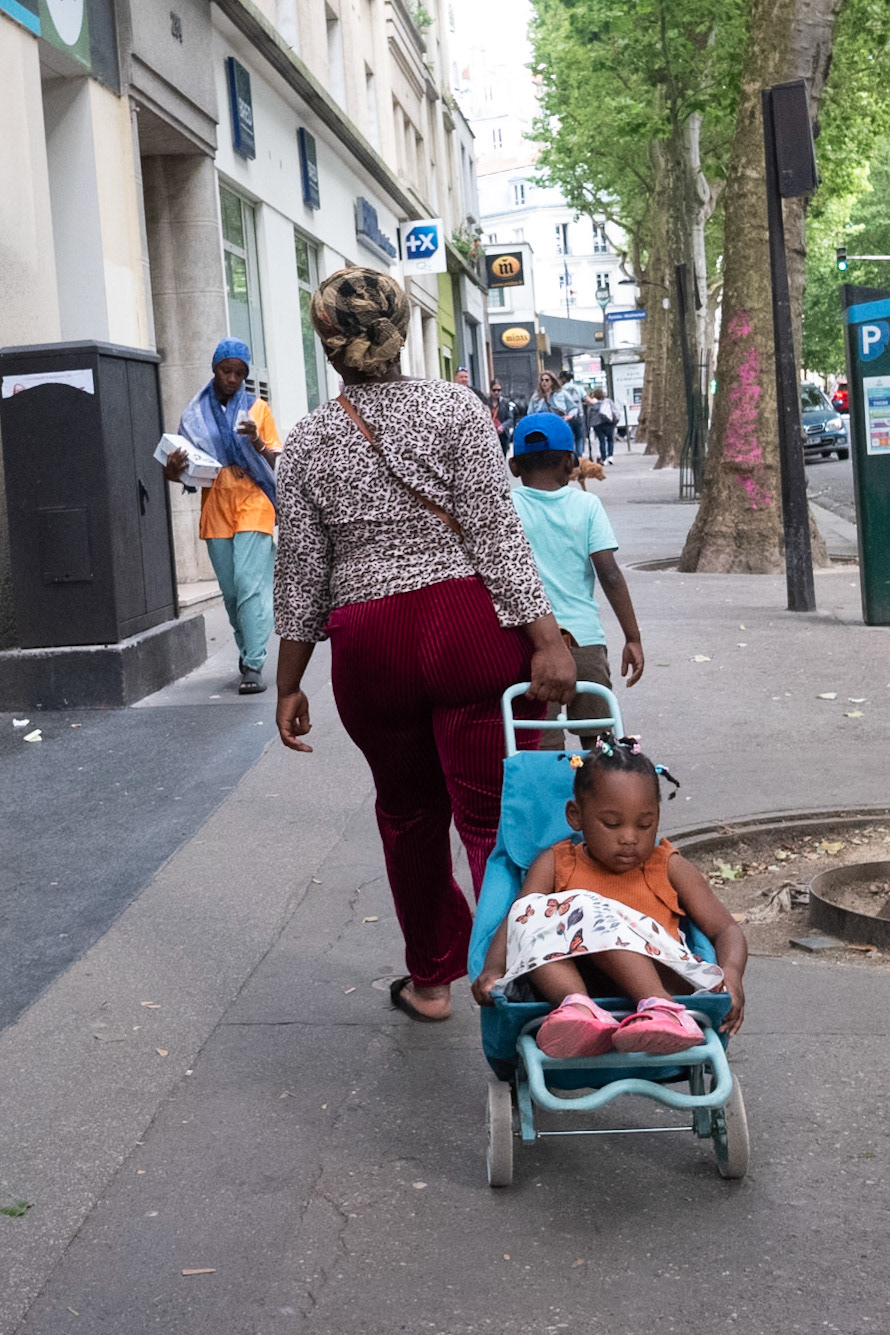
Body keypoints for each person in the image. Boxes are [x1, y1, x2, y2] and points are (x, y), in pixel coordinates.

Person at [273, 267, 576, 1023]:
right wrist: (546, 637)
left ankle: (433, 980)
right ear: (404, 331)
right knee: (488, 815)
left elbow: (302, 573)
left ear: (327, 342)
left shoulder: (308, 439)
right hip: (467, 627)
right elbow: (496, 534)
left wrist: (288, 683)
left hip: (369, 644)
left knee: (408, 814)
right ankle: (520, 978)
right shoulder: (457, 409)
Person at [472, 739, 748, 1058]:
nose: (630, 838)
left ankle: (663, 1009)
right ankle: (577, 1010)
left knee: (586, 908)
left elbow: (725, 929)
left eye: (645, 825)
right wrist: (492, 969)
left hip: (664, 976)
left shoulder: (667, 865)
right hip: (580, 984)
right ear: (576, 816)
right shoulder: (556, 862)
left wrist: (732, 972)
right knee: (535, 911)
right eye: (612, 824)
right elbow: (520, 919)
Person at [509, 413, 644, 751]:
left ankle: (550, 802)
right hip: (585, 641)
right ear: (570, 462)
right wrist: (633, 637)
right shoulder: (587, 506)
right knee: (598, 740)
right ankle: (598, 799)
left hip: (530, 646)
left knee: (540, 742)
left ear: (514, 467)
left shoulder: (506, 508)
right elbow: (609, 574)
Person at [162, 338, 282, 695]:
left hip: (254, 500)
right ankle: (246, 653)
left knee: (250, 585)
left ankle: (254, 664)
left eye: (240, 373)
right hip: (215, 505)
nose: (232, 378)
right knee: (230, 592)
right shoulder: (194, 415)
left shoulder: (257, 409)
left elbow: (278, 460)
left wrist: (256, 441)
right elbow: (179, 472)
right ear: (214, 369)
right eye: (226, 371)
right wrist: (172, 468)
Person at [586, 386, 620, 464]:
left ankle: (603, 458)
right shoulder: (608, 401)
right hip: (608, 422)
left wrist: (588, 425)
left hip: (597, 424)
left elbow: (589, 414)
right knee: (610, 440)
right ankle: (610, 456)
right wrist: (616, 420)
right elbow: (614, 411)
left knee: (601, 441)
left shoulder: (592, 403)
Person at [558, 369, 586, 457]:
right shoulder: (578, 388)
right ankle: (580, 457)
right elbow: (587, 399)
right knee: (579, 438)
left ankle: (572, 458)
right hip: (579, 415)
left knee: (570, 438)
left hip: (566, 416)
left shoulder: (560, 390)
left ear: (563, 379)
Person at [489, 379, 514, 456]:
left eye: (499, 390)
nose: (496, 392)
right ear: (490, 390)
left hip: (502, 435)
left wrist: (503, 426)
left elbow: (510, 419)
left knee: (503, 457)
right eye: (494, 390)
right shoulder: (485, 402)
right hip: (490, 435)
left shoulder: (505, 403)